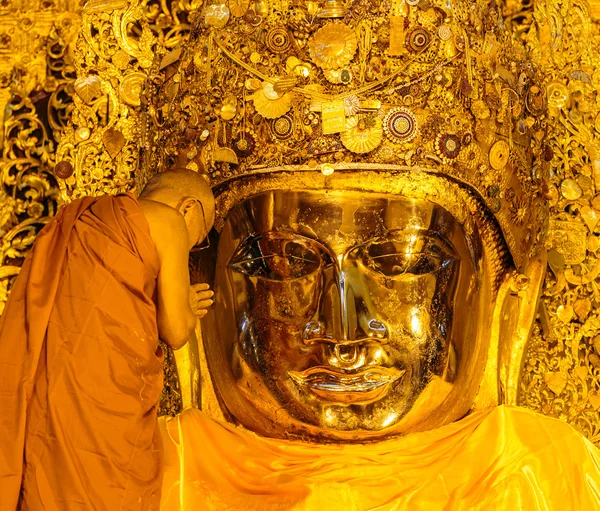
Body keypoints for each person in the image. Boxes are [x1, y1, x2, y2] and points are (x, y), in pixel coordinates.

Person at [0, 168, 215, 510]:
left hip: (55, 386)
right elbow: (174, 330)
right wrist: (186, 306)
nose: (193, 246)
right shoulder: (171, 220)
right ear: (189, 208)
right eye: (200, 236)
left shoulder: (81, 217)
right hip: (107, 397)